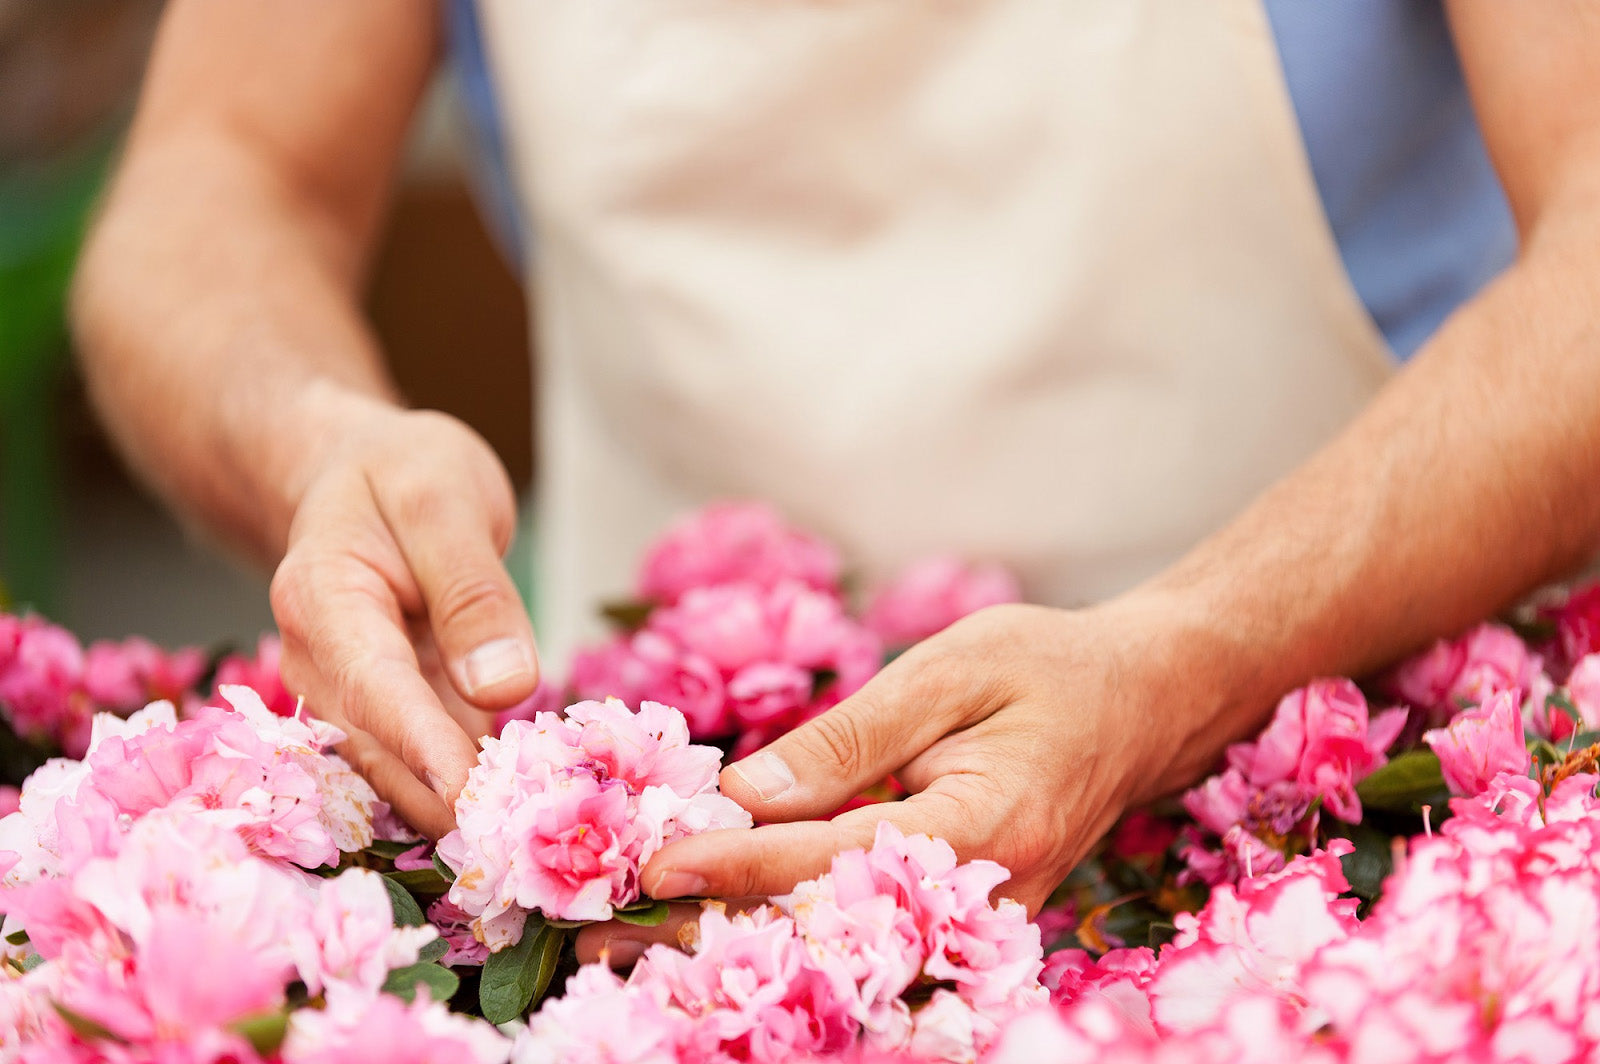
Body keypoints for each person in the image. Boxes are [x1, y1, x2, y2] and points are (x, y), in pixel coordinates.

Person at [71, 0, 1600, 963]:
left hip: (1337, 828)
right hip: (664, 896)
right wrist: (313, 438)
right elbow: (215, 191)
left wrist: (1197, 655)